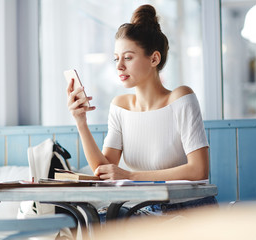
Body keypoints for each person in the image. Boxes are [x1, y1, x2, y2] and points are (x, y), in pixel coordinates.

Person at [66, 4, 216, 218]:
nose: (119, 66)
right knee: (90, 221)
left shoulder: (181, 98)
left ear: (154, 59)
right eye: (116, 58)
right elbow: (104, 171)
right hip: (147, 211)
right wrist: (80, 121)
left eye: (127, 57)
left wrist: (130, 175)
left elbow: (198, 170)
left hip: (190, 210)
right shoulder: (120, 106)